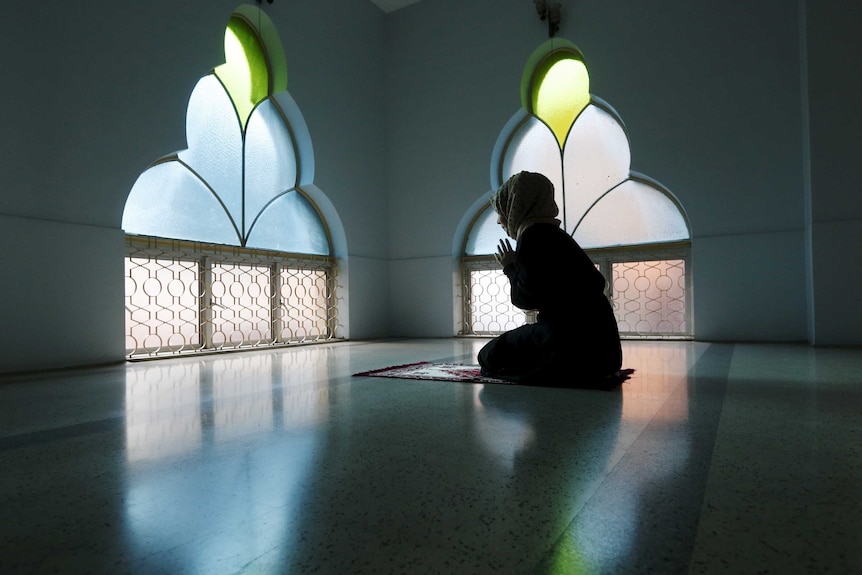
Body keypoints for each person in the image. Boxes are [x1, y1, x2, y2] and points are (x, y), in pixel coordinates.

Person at [477, 171, 624, 388]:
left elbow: (525, 299)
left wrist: (509, 267)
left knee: (488, 356)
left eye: (503, 210)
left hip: (571, 348)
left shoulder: (531, 238)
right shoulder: (557, 236)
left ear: (517, 205)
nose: (500, 219)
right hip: (605, 355)